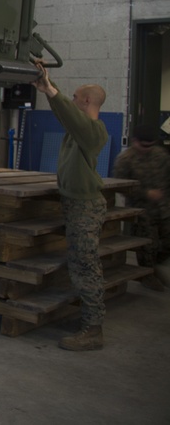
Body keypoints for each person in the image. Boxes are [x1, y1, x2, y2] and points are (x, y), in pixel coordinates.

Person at [32, 62, 109, 351]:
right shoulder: (78, 131)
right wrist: (47, 90)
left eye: (76, 97)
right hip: (75, 204)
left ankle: (93, 329)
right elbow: (67, 117)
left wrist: (51, 90)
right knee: (81, 264)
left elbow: (73, 118)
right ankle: (89, 322)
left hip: (85, 208)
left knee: (85, 266)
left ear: (87, 101)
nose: (73, 100)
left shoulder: (94, 132)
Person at [113, 125, 170, 291]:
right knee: (147, 246)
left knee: (167, 243)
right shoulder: (125, 160)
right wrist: (146, 193)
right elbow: (121, 186)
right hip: (141, 211)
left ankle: (154, 268)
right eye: (143, 145)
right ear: (134, 141)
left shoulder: (161, 156)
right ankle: (147, 275)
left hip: (164, 208)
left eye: (150, 145)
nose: (147, 149)